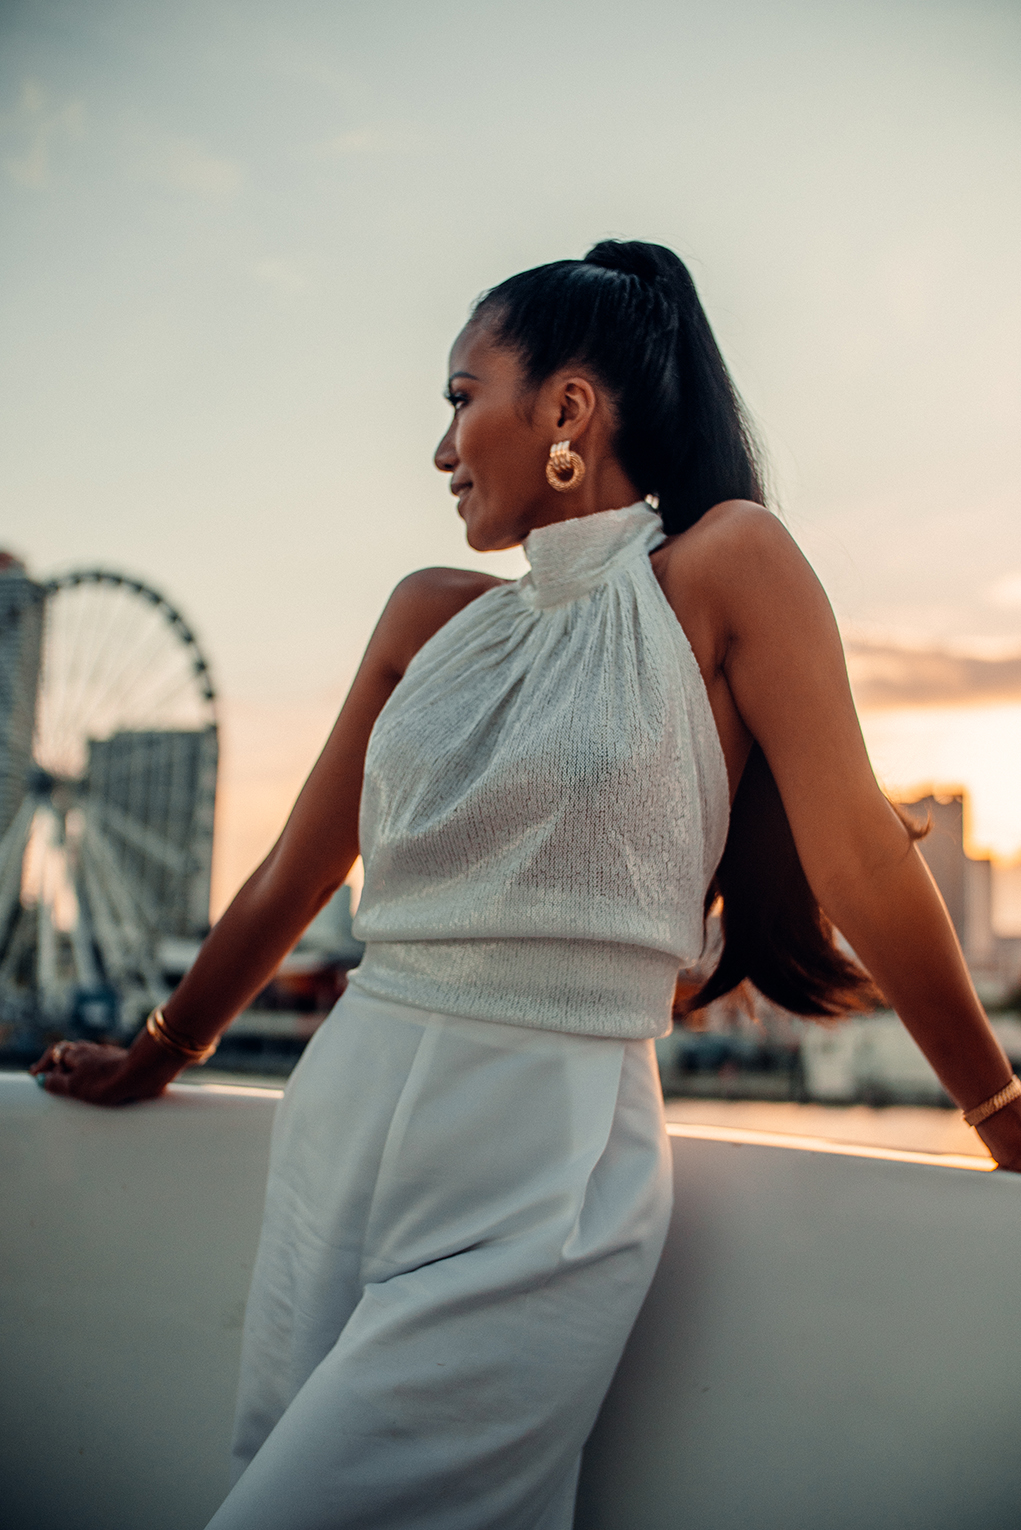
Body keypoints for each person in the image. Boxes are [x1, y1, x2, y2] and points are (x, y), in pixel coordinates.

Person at [33, 240, 1021, 1529]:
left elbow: (859, 862)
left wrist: (1000, 1109)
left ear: (566, 411)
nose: (443, 448)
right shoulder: (426, 616)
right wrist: (156, 1054)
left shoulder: (723, 569)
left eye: (459, 397)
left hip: (546, 1151)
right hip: (342, 1124)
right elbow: (293, 871)